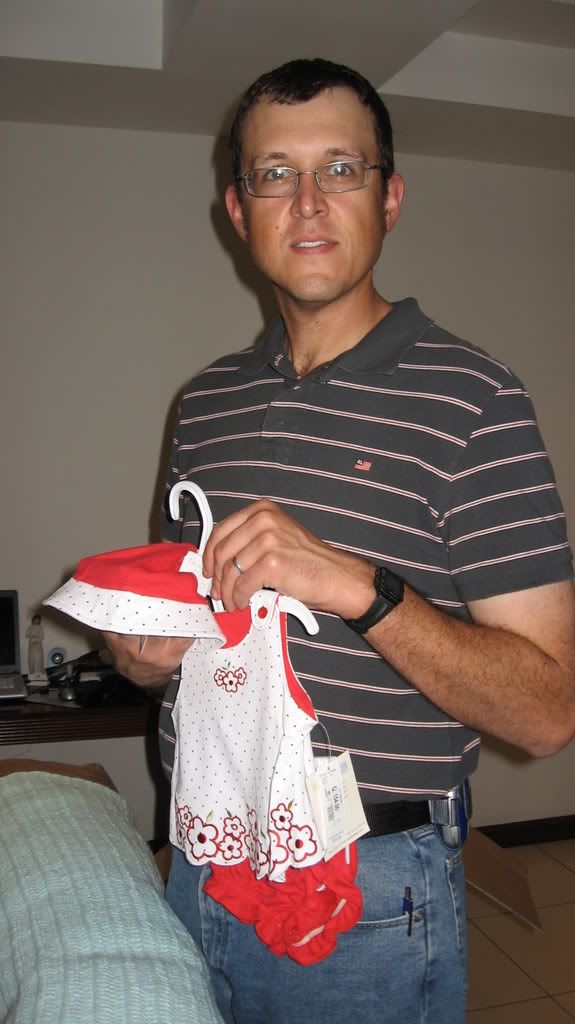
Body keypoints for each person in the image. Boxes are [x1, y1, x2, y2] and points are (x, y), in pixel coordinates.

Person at [104, 58, 575, 1023]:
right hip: (198, 860)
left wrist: (361, 587)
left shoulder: (475, 400)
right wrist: (143, 659)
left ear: (389, 199)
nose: (308, 201)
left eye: (341, 169)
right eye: (275, 173)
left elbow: (546, 711)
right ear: (238, 210)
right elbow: (189, 630)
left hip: (365, 892)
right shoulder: (204, 404)